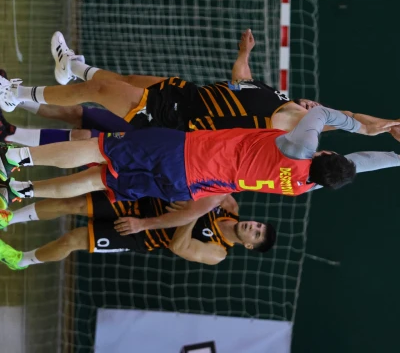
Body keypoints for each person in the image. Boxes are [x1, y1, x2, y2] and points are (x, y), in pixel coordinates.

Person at [0, 104, 397, 229]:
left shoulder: (301, 147)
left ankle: (17, 158)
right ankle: (21, 191)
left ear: (325, 155)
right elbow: (362, 165)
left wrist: (366, 127)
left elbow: (322, 114)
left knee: (98, 148)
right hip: (187, 188)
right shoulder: (302, 186)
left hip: (184, 154)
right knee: (97, 179)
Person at [1, 30, 399, 146]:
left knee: (101, 94)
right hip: (187, 93)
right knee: (120, 80)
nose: (316, 106)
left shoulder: (291, 123)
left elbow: (357, 123)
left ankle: (15, 96)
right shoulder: (280, 98)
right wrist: (244, 53)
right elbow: (240, 80)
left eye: (321, 113)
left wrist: (389, 126)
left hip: (181, 118)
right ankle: (73, 66)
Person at [0, 192, 276, 270]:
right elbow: (206, 181)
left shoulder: (218, 252)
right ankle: (9, 217)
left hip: (141, 234)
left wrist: (193, 212)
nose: (253, 226)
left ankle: (21, 260)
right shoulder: (229, 205)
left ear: (248, 245)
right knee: (73, 203)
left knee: (73, 239)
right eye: (258, 225)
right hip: (144, 201)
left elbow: (178, 247)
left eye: (256, 234)